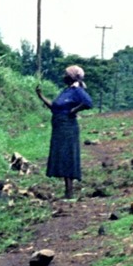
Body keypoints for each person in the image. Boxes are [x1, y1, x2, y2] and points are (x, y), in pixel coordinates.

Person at [37, 65, 93, 199]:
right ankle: (67, 191)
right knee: (61, 156)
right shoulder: (66, 91)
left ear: (72, 77)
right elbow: (54, 107)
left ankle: (69, 192)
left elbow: (88, 103)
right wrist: (40, 96)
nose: (64, 76)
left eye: (66, 74)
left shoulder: (77, 90)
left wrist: (74, 111)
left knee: (68, 156)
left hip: (68, 127)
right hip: (59, 126)